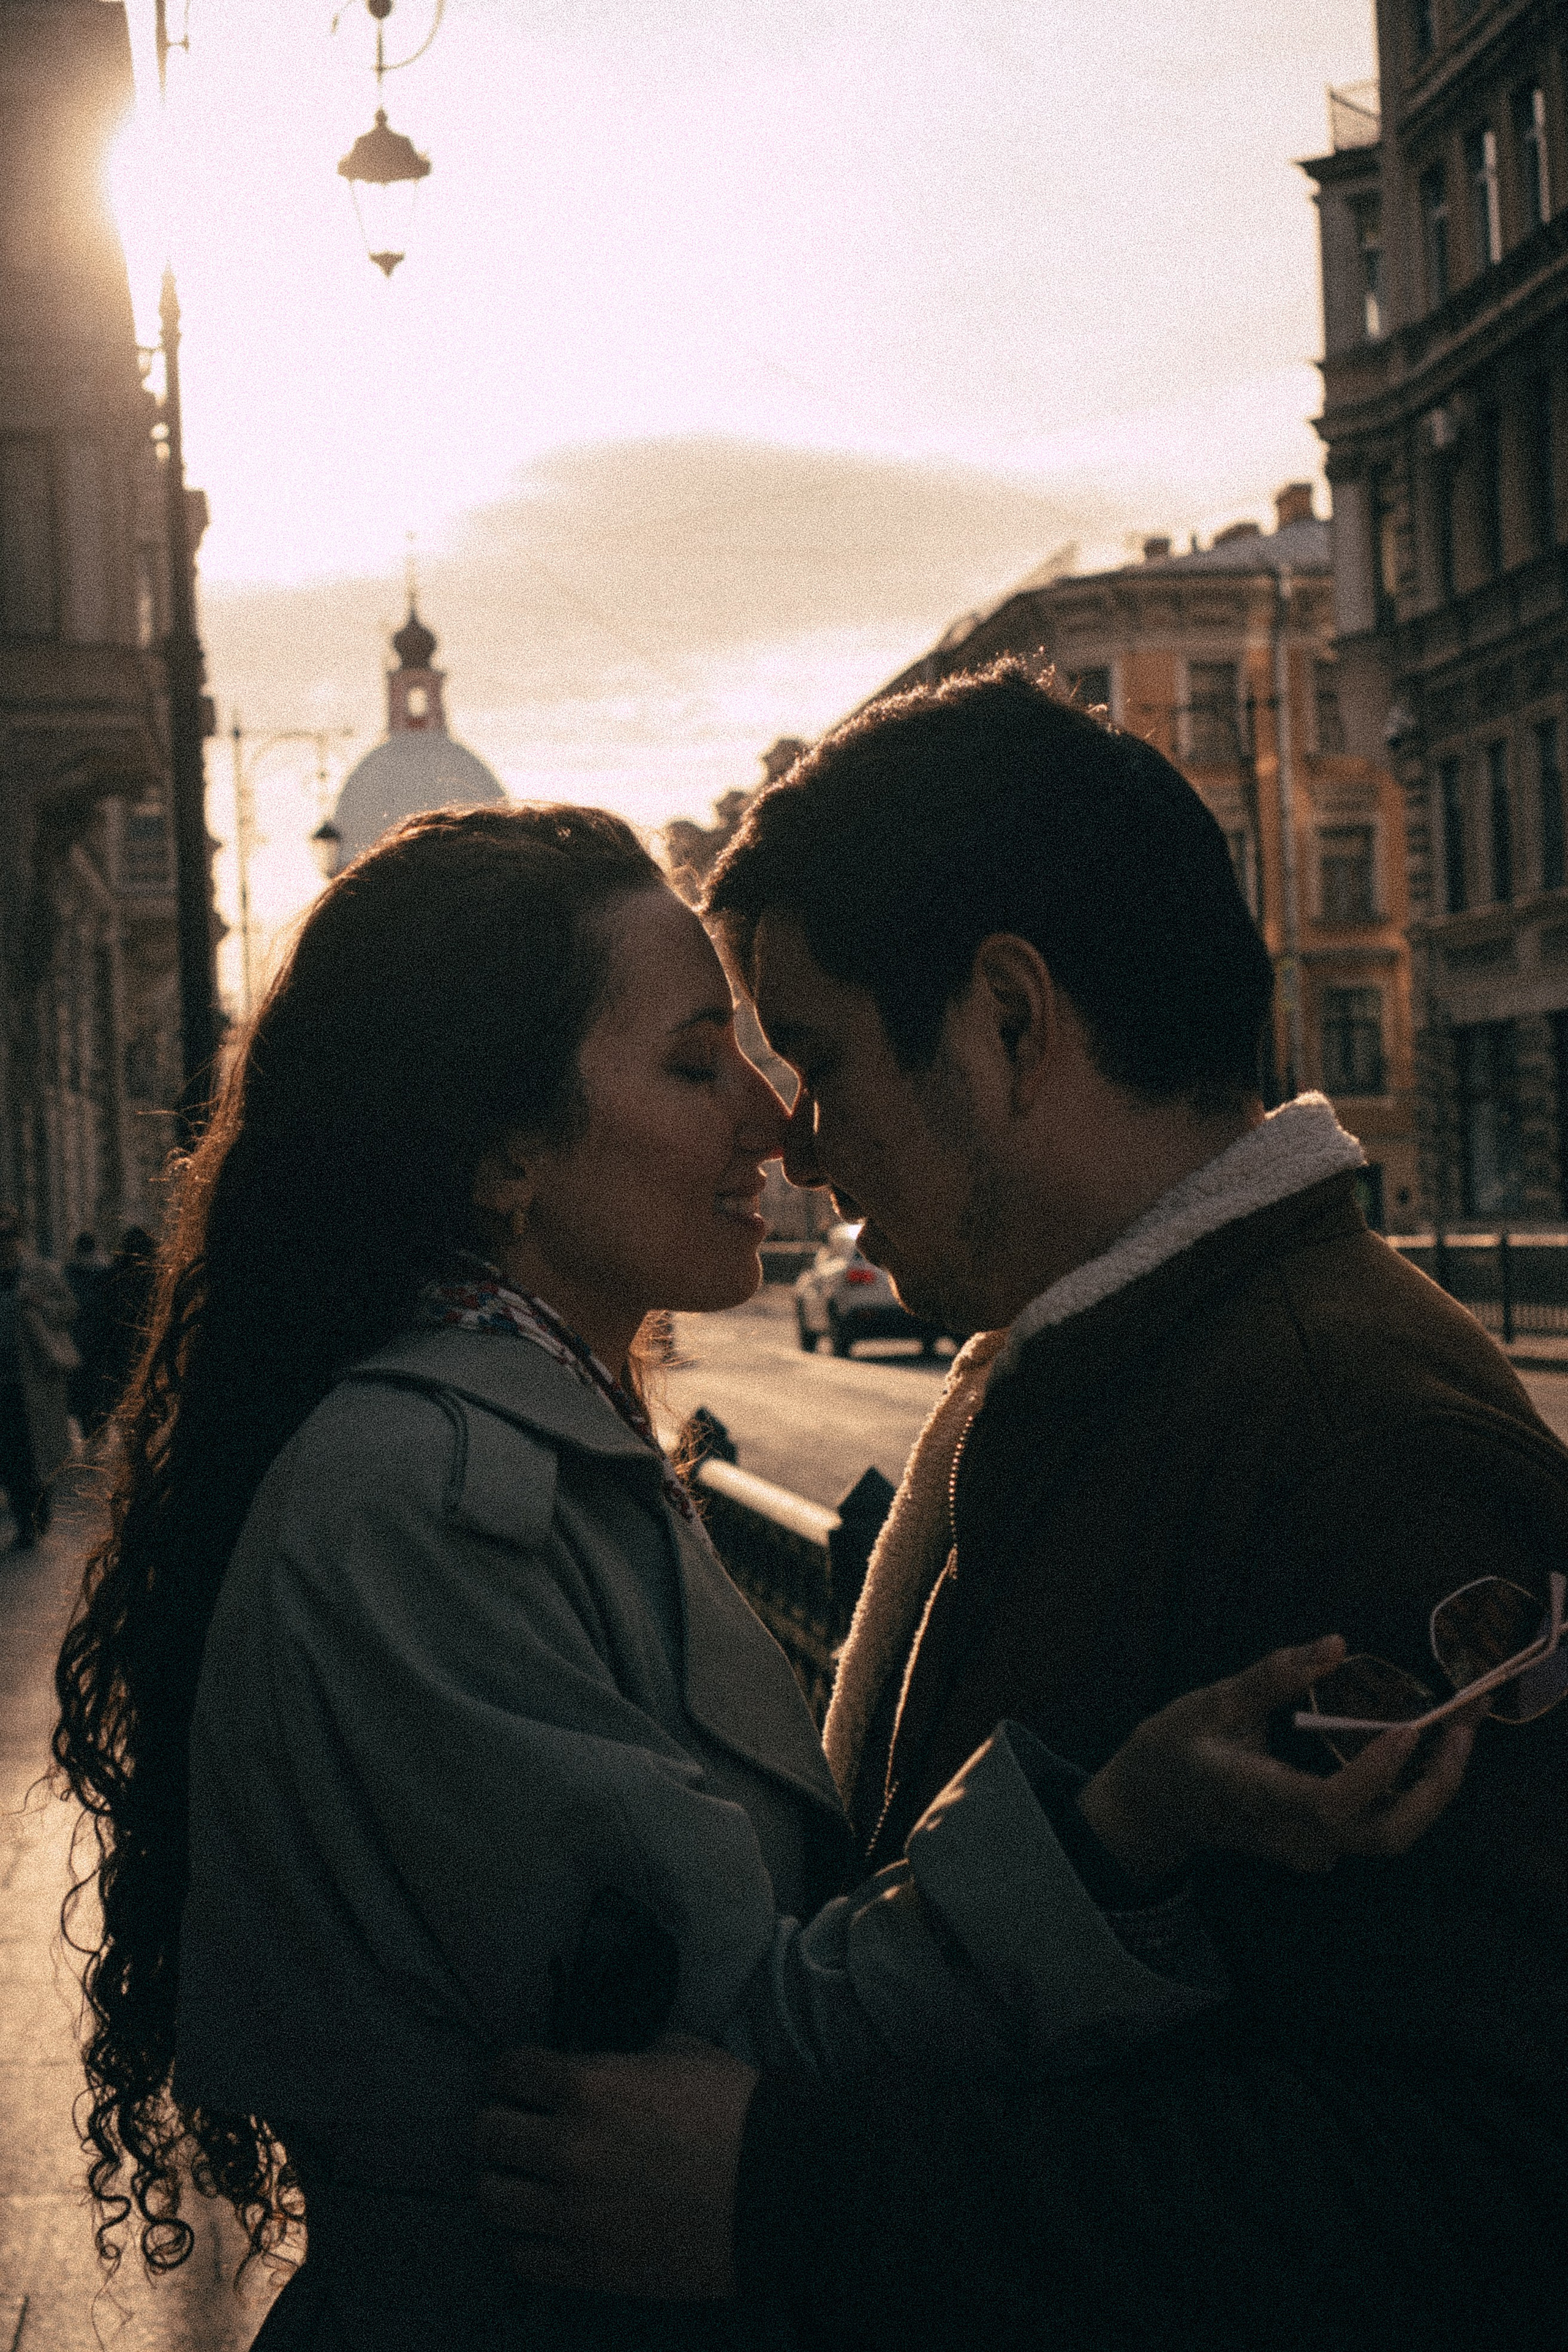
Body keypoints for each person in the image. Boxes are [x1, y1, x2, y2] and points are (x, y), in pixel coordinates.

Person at [50, 801, 1464, 2352]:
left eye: (757, 1049)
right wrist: (1113, 1830)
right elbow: (690, 2090)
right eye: (693, 1060)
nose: (773, 1119)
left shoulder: (524, 1440)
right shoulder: (428, 1503)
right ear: (506, 1151)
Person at [477, 666, 1568, 2348]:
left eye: (823, 1060)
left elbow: (1493, 2178)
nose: (810, 1150)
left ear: (1006, 1021)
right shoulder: (1132, 1364)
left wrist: (795, 2196)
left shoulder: (1351, 1428)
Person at [0, 1207, 78, 1549]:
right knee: (10, 1455)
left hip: (34, 1381)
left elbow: (69, 1309)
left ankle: (37, 1512)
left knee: (35, 1453)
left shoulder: (38, 1272)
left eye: (7, 1237)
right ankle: (24, 1521)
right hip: (3, 1383)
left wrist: (41, 1304)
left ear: (17, 1238)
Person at [64, 1231, 113, 1441]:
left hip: (78, 1340)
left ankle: (90, 1434)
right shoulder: (105, 1273)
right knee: (98, 1389)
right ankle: (98, 1433)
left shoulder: (69, 1273)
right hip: (100, 1341)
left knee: (84, 1392)